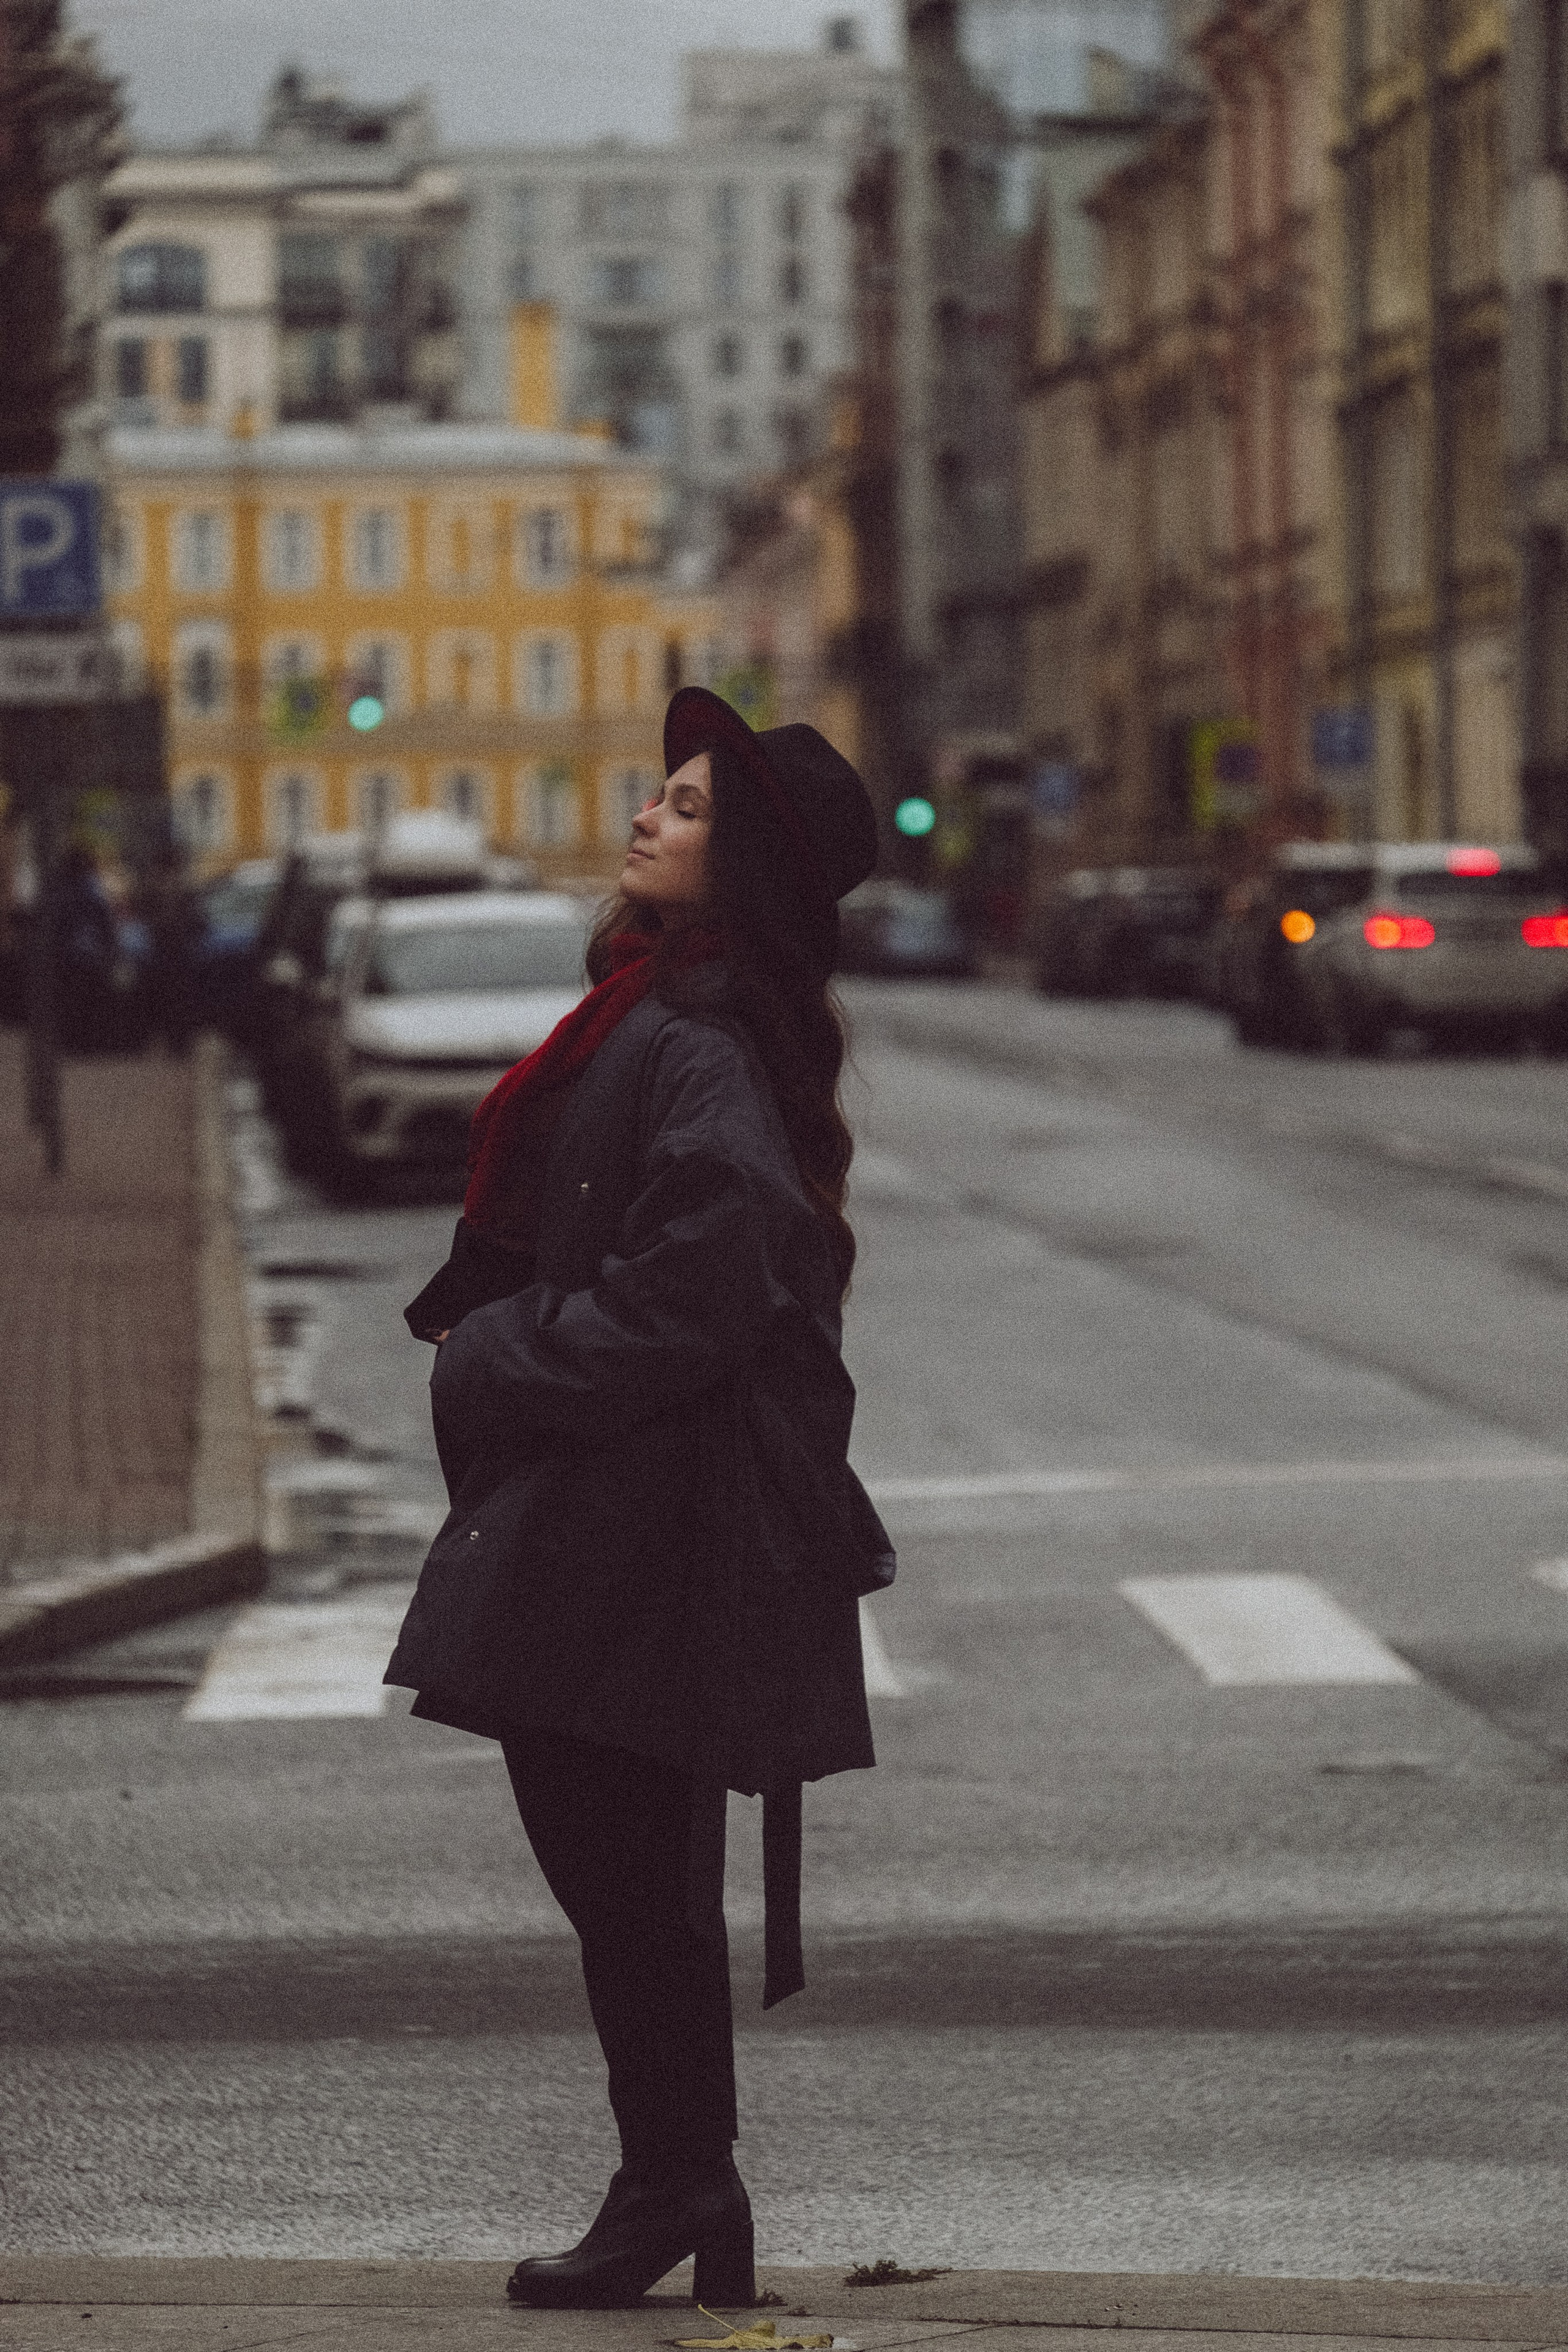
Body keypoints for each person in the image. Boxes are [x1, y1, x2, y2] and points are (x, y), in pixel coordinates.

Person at [384, 686, 896, 2312]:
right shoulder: (661, 1013)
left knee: (622, 1862)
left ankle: (676, 2182)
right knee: (629, 1867)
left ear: (738, 866)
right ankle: (682, 2185)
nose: (649, 815)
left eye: (687, 806)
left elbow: (709, 1273)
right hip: (635, 1502)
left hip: (653, 1511)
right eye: (661, 793)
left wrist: (506, 1359)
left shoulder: (696, 1034)